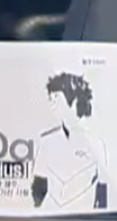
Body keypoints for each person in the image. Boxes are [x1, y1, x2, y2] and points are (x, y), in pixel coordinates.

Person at [31, 73, 108, 210]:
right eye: (50, 99)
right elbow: (38, 188)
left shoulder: (96, 144)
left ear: (73, 99)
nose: (52, 103)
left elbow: (102, 191)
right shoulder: (46, 142)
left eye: (56, 97)